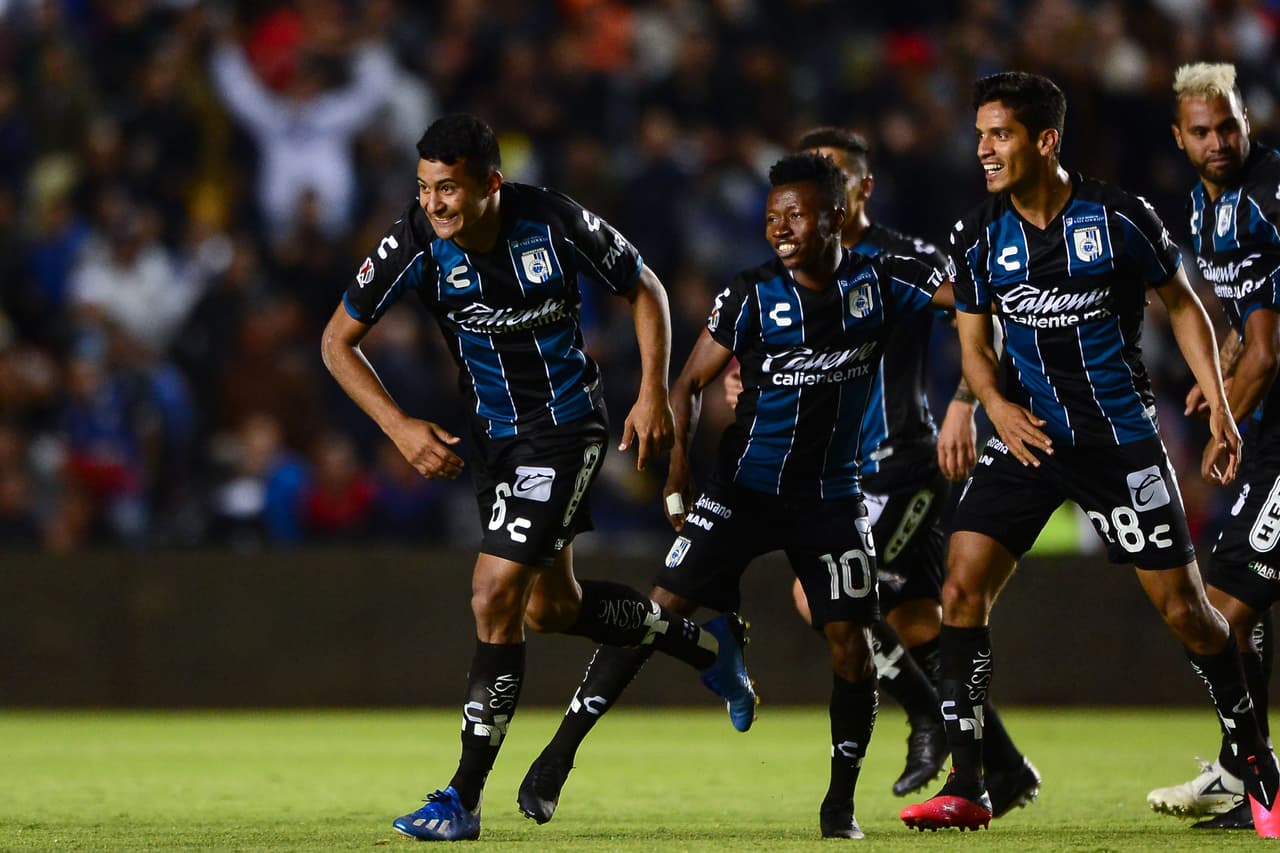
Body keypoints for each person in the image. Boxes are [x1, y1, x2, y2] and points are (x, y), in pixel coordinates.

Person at [320, 113, 748, 842]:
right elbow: (336, 340)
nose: (435, 204)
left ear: (490, 182)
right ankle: (707, 645)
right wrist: (397, 427)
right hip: (493, 442)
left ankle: (461, 796)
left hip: (566, 429)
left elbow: (644, 287)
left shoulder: (551, 220)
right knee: (554, 609)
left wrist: (651, 392)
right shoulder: (416, 241)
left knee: (494, 593)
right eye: (424, 188)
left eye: (449, 189)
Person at [521, 151, 947, 839]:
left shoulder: (882, 284)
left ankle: (838, 804)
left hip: (833, 498)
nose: (779, 227)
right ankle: (555, 757)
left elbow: (975, 298)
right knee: (660, 608)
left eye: (795, 215)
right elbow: (687, 383)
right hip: (744, 488)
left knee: (851, 642)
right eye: (772, 215)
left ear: (836, 218)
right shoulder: (750, 294)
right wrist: (678, 466)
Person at [898, 71, 1280, 838]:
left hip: (1118, 442)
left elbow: (1183, 303)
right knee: (961, 585)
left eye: (1000, 135)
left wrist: (1220, 407)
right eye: (980, 135)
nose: (985, 150)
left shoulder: (1117, 217)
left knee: (1189, 613)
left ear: (1045, 140)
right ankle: (971, 781)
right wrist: (996, 405)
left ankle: (1258, 764)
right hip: (1030, 438)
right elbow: (973, 348)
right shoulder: (977, 233)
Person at [782, 127, 1040, 809]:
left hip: (902, 463)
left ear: (863, 187)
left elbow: (987, 319)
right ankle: (1005, 766)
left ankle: (928, 718)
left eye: (832, 176)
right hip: (845, 473)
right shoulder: (799, 265)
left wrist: (964, 401)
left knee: (821, 593)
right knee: (919, 624)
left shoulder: (909, 257)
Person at [1145, 61, 1280, 832]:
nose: (1217, 140)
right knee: (1236, 613)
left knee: (1222, 608)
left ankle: (1249, 774)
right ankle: (1243, 772)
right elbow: (1242, 321)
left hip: (1274, 435)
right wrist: (1217, 371)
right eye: (1202, 131)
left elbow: (1269, 351)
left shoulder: (1267, 199)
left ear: (1247, 121)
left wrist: (1226, 415)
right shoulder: (1203, 209)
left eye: (1227, 125)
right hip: (1267, 434)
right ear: (1180, 137)